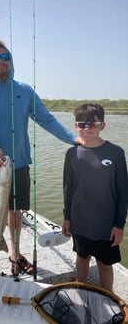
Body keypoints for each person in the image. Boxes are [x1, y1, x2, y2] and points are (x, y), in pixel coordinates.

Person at [0, 39, 85, 276]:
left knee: (16, 211)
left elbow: (47, 120)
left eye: (5, 58)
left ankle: (14, 253)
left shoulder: (24, 91)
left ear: (11, 61)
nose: (0, 62)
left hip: (19, 163)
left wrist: (74, 139)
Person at [62, 103, 128, 291]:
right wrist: (67, 217)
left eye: (92, 124)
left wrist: (119, 224)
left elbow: (123, 191)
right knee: (82, 259)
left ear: (102, 126)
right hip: (79, 220)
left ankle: (108, 297)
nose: (87, 129)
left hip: (106, 224)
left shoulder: (115, 153)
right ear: (75, 126)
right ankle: (82, 293)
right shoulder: (72, 153)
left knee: (105, 265)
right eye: (82, 124)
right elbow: (68, 187)